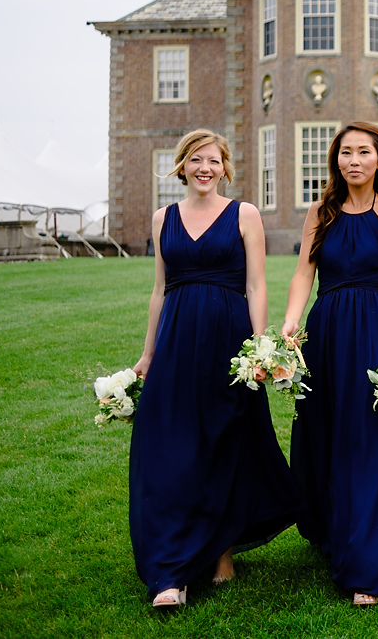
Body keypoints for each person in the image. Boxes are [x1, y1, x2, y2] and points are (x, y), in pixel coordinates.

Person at [130, 129, 301, 608]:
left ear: (226, 167)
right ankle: (172, 572)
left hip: (230, 342)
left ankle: (223, 550)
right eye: (194, 159)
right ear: (182, 166)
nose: (204, 168)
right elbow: (160, 291)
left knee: (226, 440)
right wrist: (148, 354)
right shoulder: (163, 218)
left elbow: (257, 284)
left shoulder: (245, 214)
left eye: (213, 160)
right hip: (178, 343)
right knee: (171, 446)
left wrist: (259, 348)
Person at [283, 122, 378, 606]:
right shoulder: (320, 212)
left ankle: (367, 562)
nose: (353, 161)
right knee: (324, 432)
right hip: (325, 329)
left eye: (364, 152)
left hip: (372, 328)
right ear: (335, 161)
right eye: (345, 153)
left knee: (368, 436)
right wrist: (289, 323)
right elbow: (304, 272)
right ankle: (332, 530)